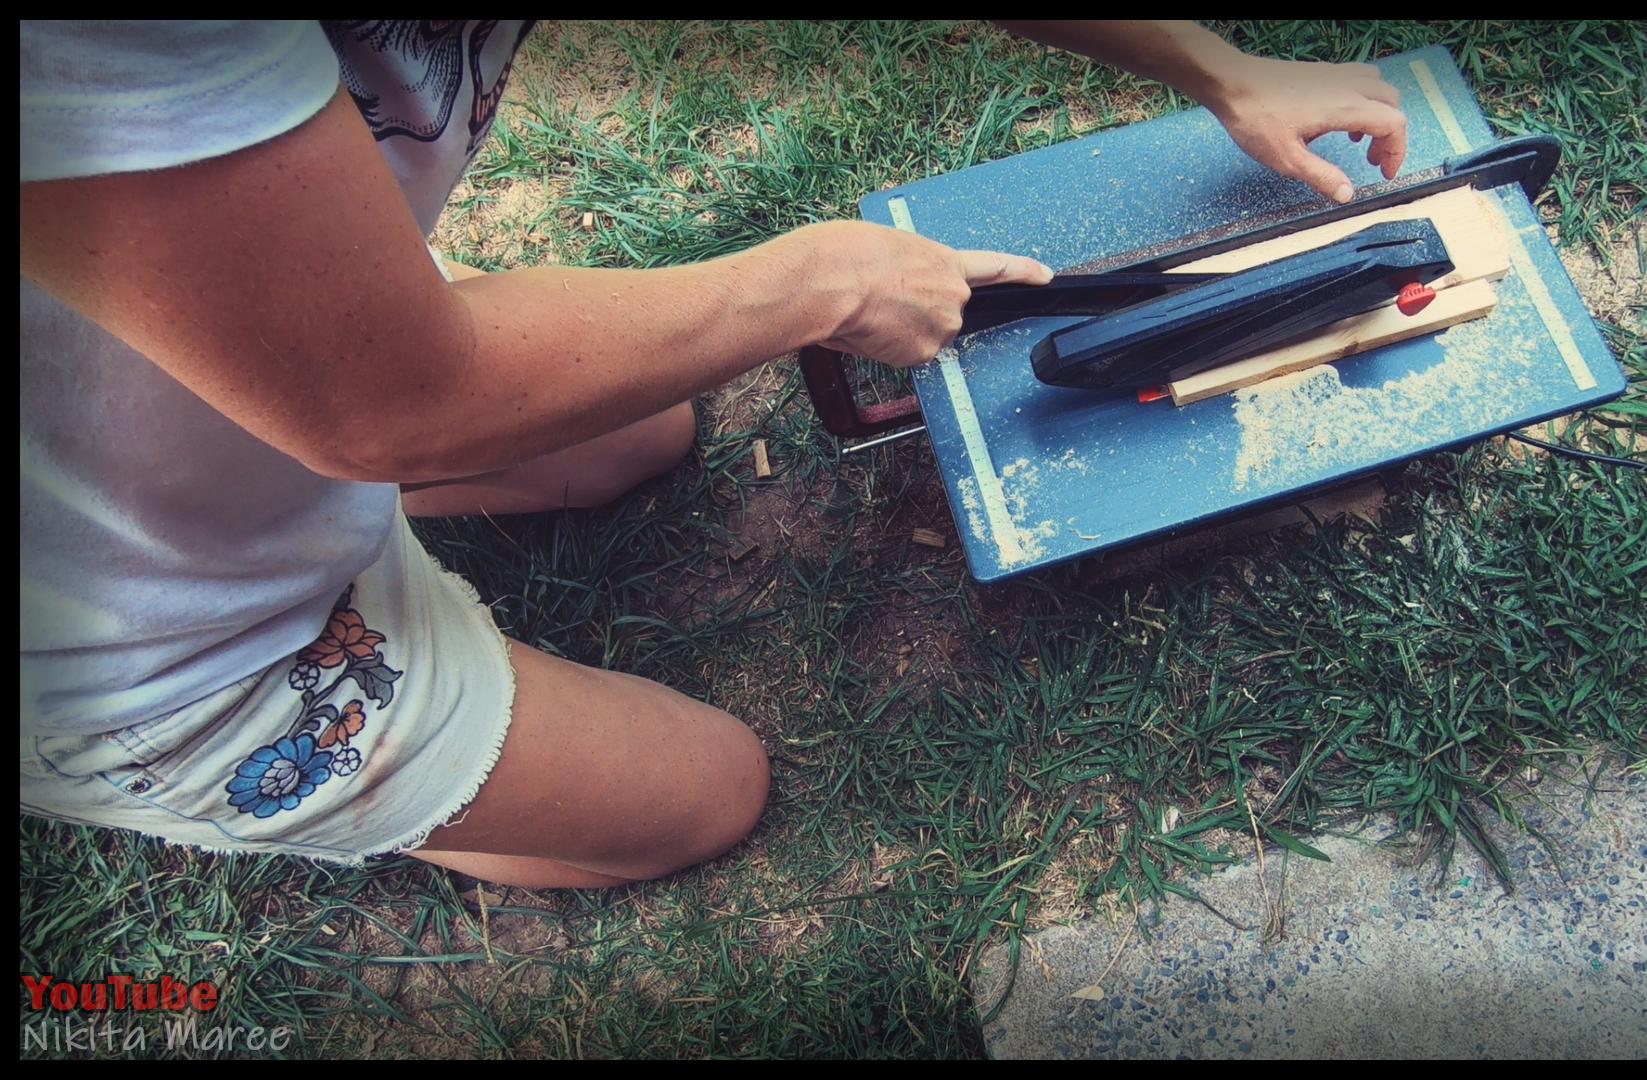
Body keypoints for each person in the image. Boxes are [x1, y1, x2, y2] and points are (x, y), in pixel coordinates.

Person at [19, 20, 1407, 889]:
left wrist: (1212, 63)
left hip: (229, 370)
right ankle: (323, 789)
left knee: (640, 425)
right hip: (136, 618)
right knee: (704, 793)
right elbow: (388, 400)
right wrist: (810, 286)